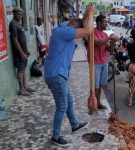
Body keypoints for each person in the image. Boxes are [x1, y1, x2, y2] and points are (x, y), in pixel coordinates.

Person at [44, 4, 94, 147]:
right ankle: (56, 136)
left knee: (69, 100)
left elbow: (81, 25)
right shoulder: (62, 32)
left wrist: (86, 13)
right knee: (62, 106)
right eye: (76, 31)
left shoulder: (64, 29)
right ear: (72, 26)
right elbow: (87, 30)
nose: (77, 34)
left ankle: (75, 124)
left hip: (59, 74)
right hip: (56, 75)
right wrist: (90, 13)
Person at [93, 15, 118, 109]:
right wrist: (110, 37)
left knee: (101, 84)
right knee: (95, 85)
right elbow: (98, 43)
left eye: (106, 22)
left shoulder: (104, 34)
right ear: (99, 23)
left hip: (104, 61)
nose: (106, 24)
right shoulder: (93, 32)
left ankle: (98, 103)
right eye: (104, 22)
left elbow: (109, 49)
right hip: (95, 62)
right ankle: (93, 103)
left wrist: (112, 43)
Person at [9, 7, 35, 96]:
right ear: (14, 13)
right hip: (19, 53)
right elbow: (15, 40)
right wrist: (22, 53)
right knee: (20, 70)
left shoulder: (19, 24)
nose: (20, 16)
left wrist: (26, 51)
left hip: (24, 52)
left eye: (21, 14)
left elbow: (22, 39)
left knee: (23, 69)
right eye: (18, 14)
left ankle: (25, 86)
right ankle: (21, 89)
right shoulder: (13, 24)